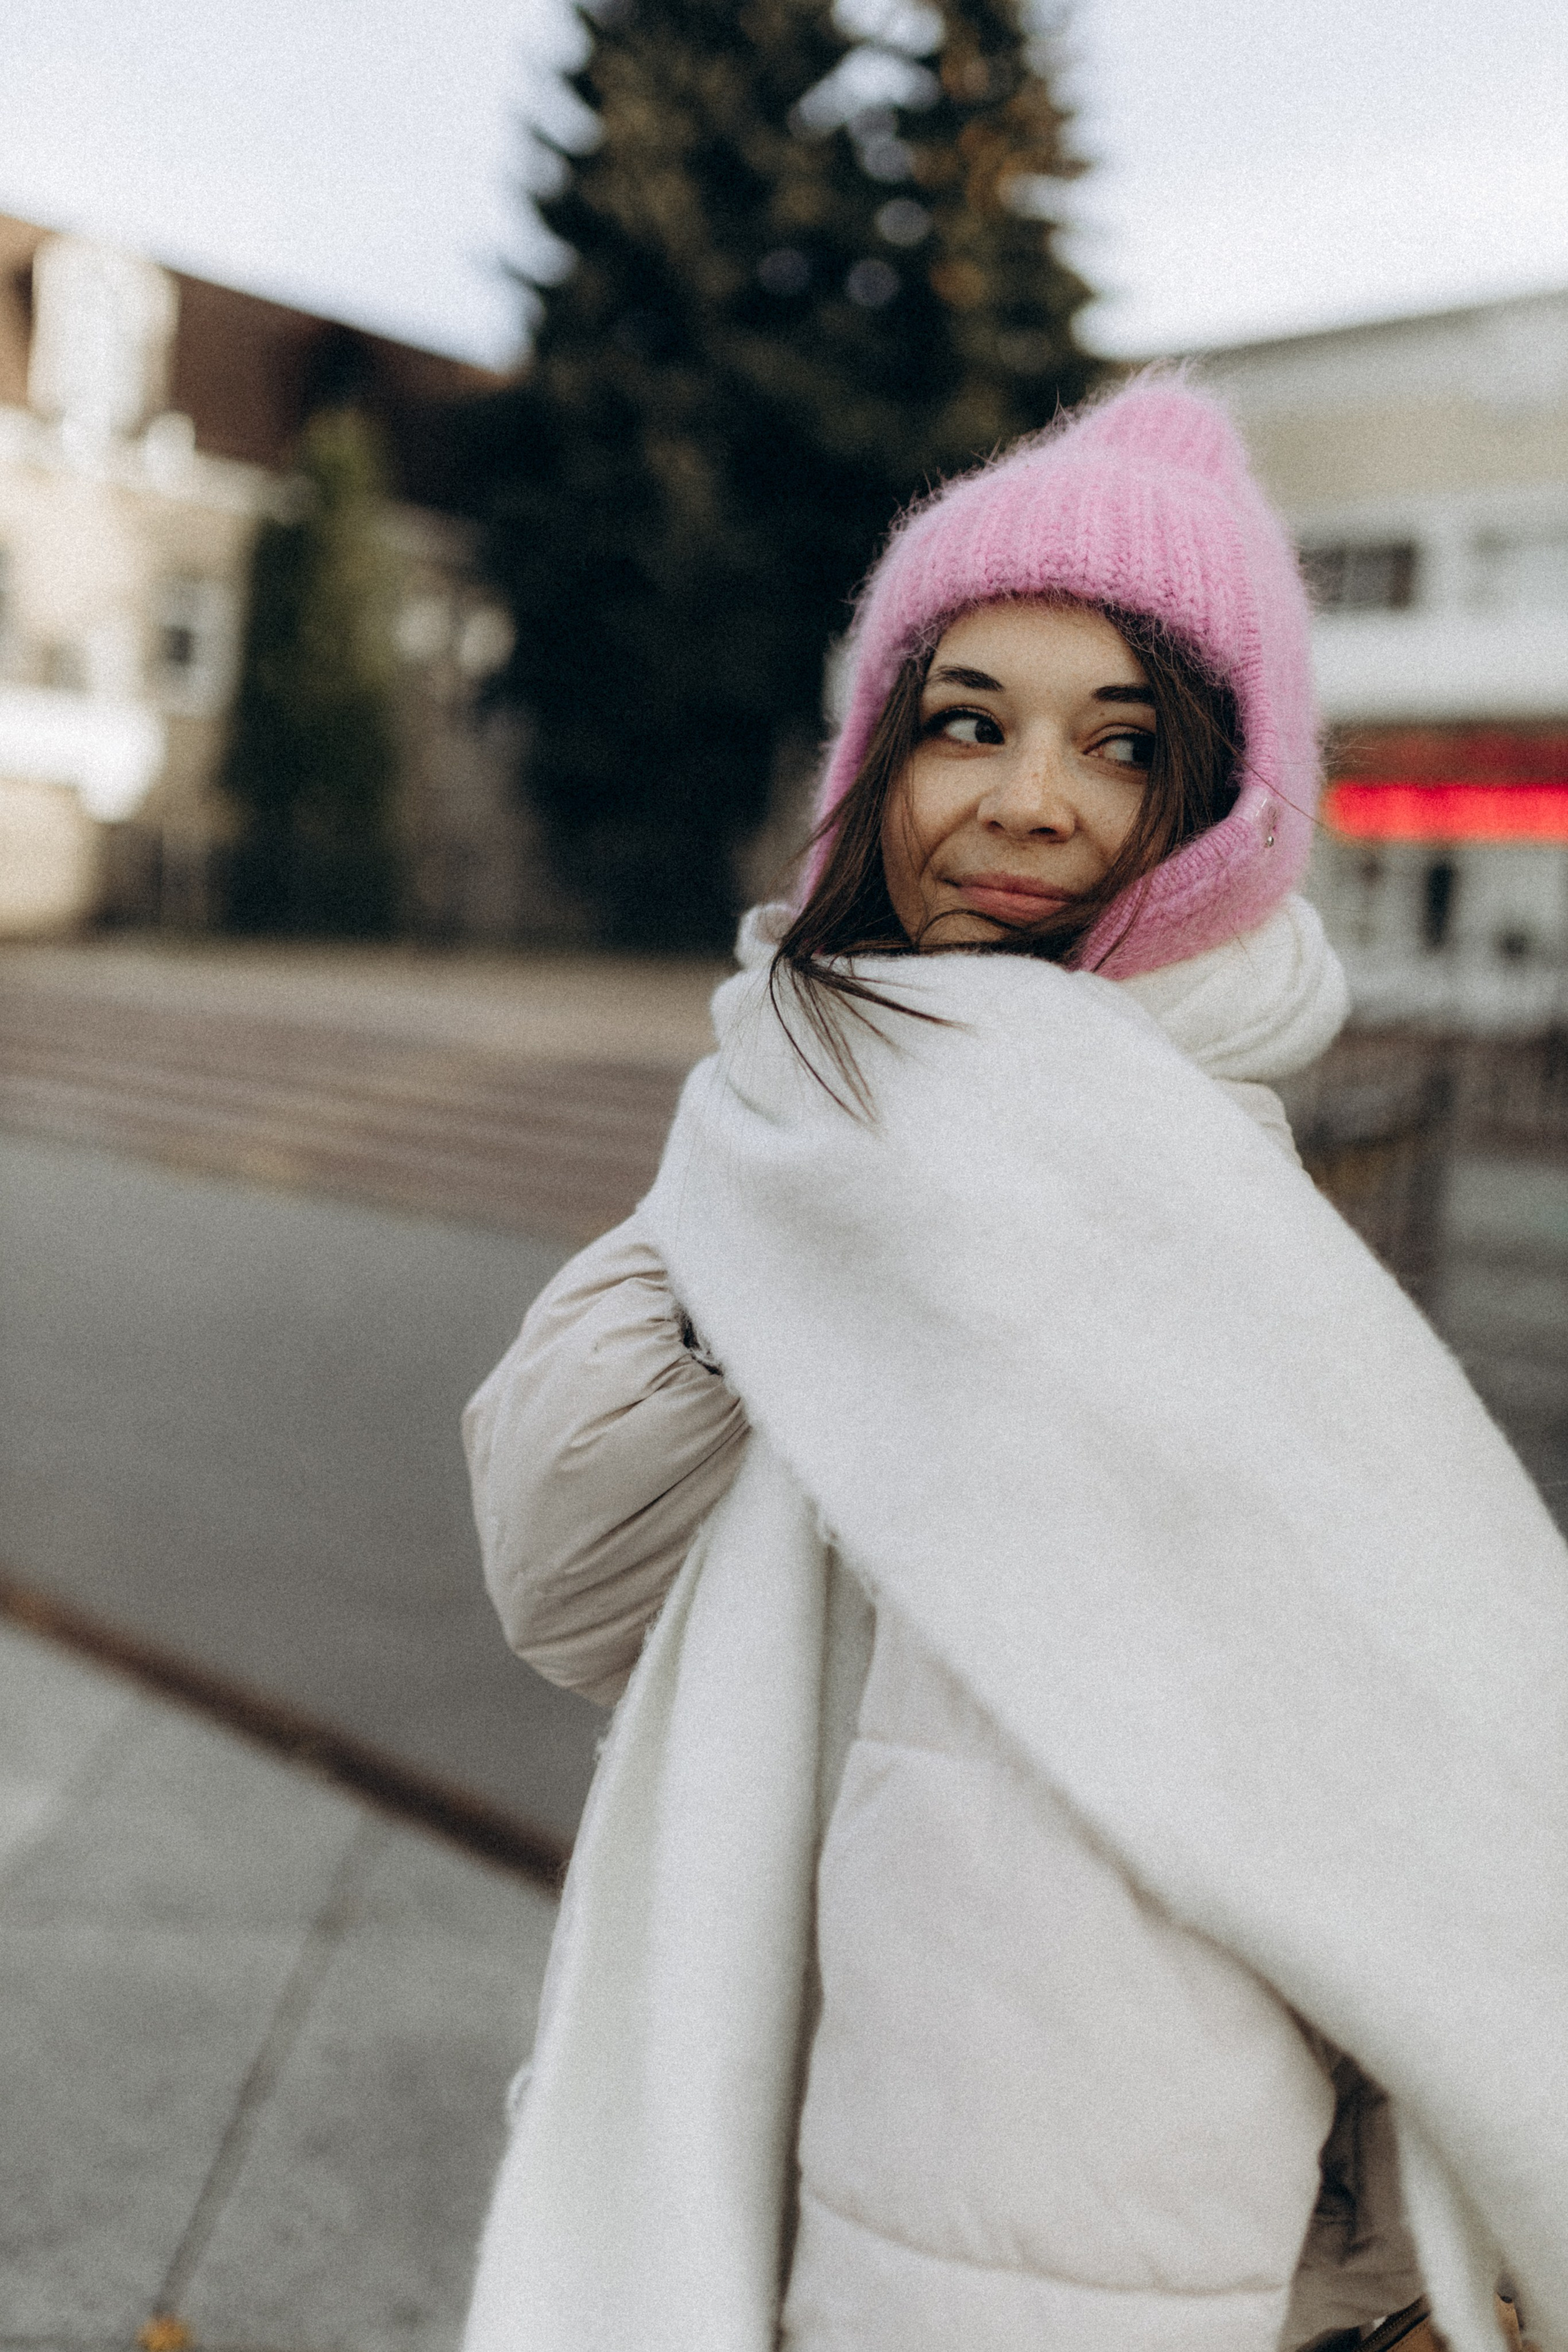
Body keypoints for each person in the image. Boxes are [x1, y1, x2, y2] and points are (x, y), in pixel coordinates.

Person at [461, 380, 1568, 2352]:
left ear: (1222, 805)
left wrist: (1386, 2254)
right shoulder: (790, 1124)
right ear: (878, 759)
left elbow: (1427, 1758)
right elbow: (558, 1577)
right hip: (828, 2117)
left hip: (1141, 2191)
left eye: (1121, 745)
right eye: (966, 721)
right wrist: (797, 1239)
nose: (1028, 800)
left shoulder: (1225, 1205)